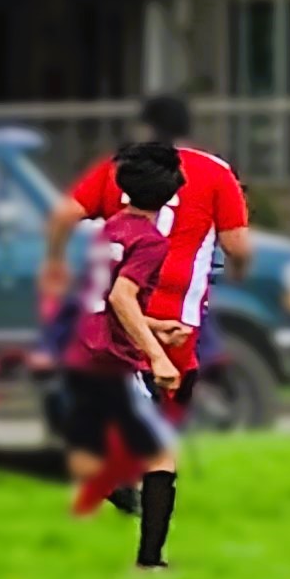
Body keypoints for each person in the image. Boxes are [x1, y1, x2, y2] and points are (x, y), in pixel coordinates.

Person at [41, 91, 254, 412]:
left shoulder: (120, 167)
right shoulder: (215, 171)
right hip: (178, 315)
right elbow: (236, 245)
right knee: (163, 419)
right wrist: (238, 272)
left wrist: (56, 260)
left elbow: (62, 216)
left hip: (114, 322)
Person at [62, 143, 188, 569]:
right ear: (172, 194)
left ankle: (108, 475)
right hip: (112, 361)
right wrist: (158, 356)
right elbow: (121, 295)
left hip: (84, 349)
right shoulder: (151, 240)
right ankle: (150, 562)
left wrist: (154, 328)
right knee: (161, 459)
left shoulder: (110, 227)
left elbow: (104, 299)